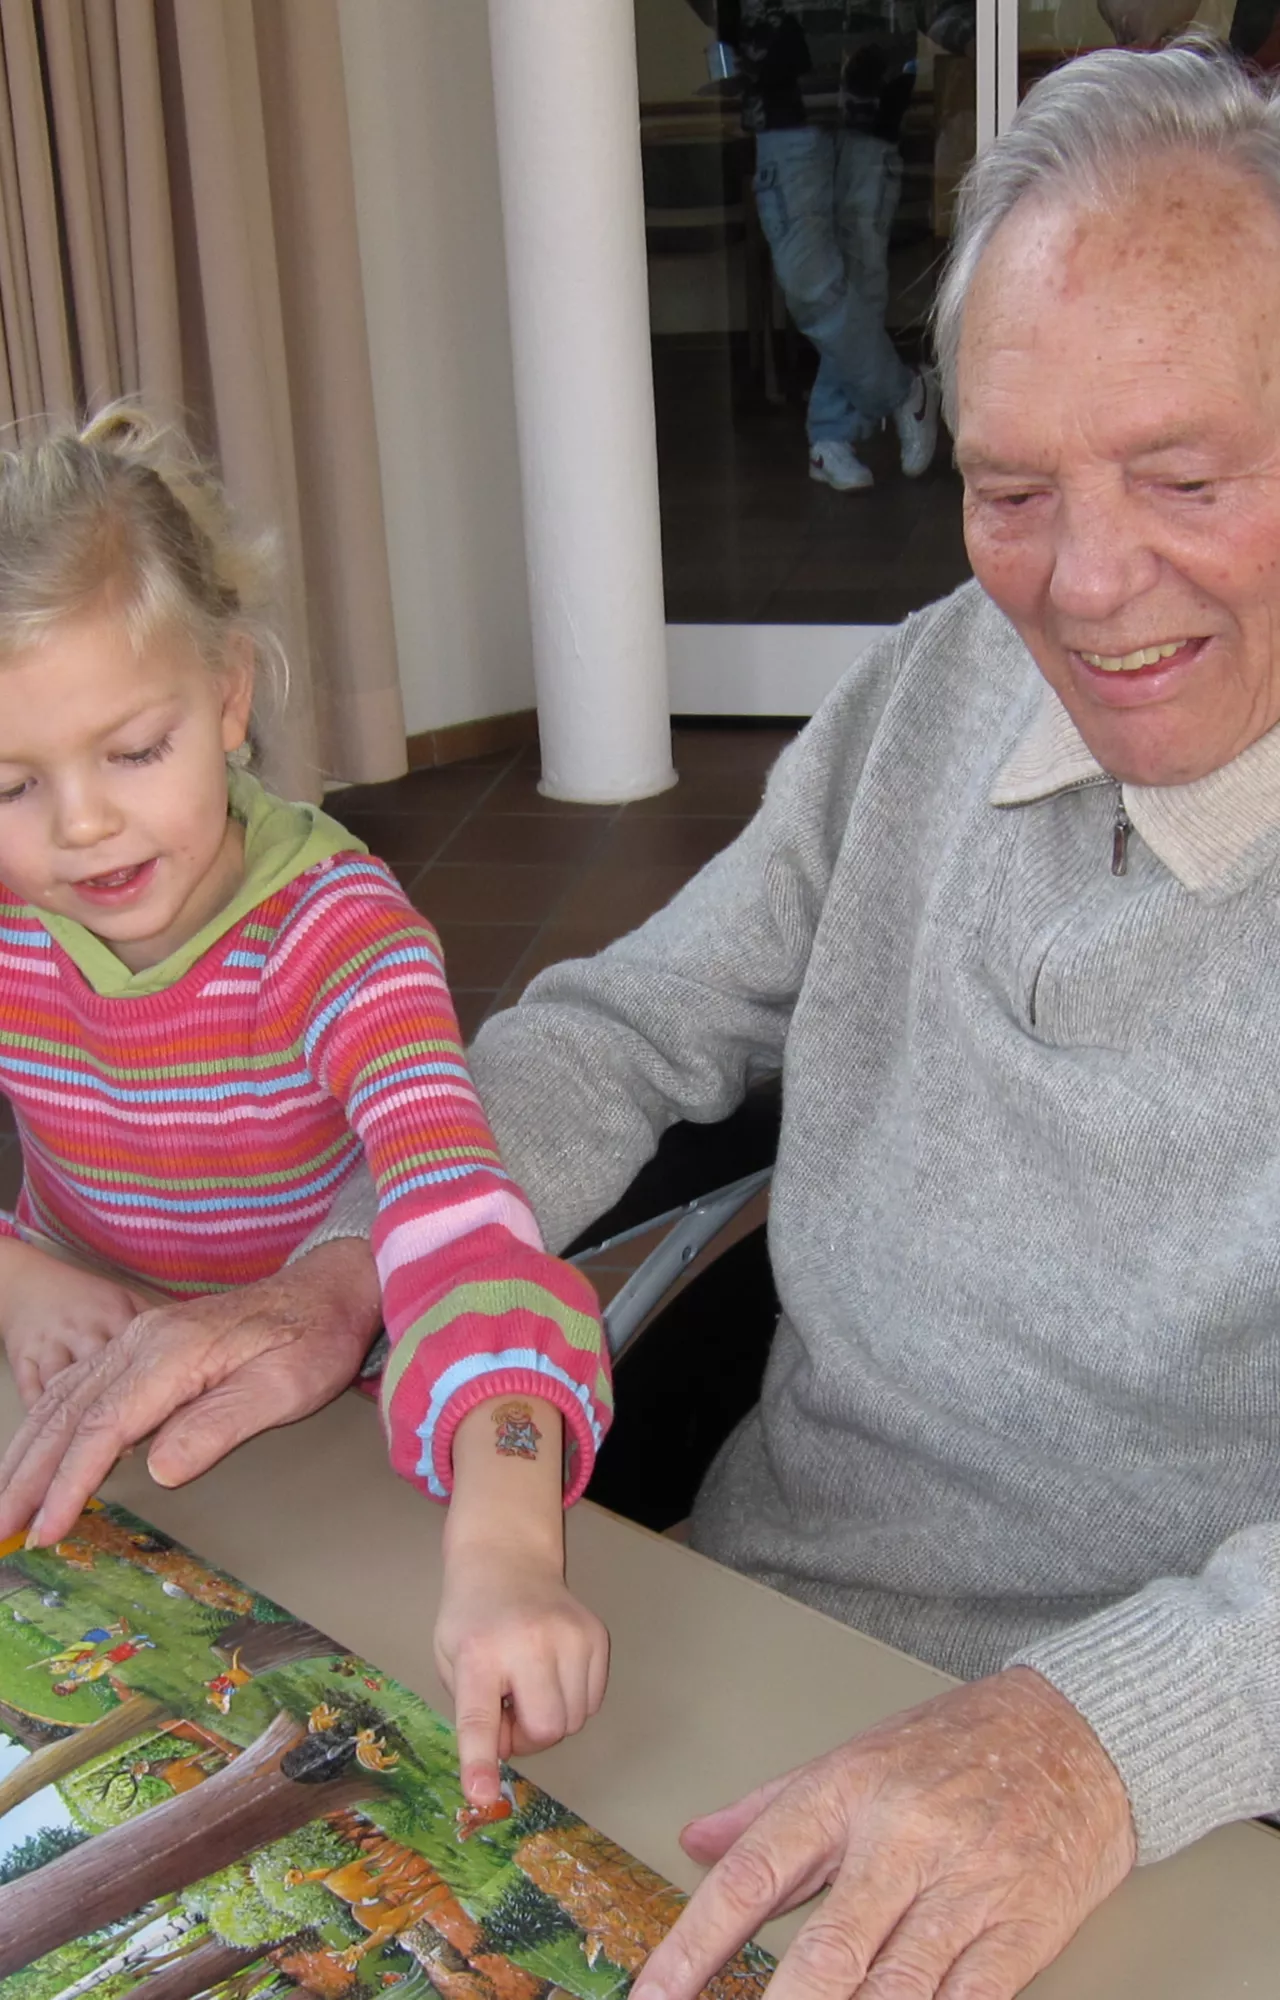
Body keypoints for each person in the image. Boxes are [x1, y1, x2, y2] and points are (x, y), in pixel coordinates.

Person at [10, 34, 1280, 1998]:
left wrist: (1096, 1736)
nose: (1088, 584)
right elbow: (627, 1020)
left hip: (1150, 1788)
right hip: (742, 1630)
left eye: (1185, 478)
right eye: (1013, 486)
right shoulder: (930, 689)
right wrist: (358, 1260)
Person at [0, 410, 611, 1808]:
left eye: (133, 749)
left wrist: (508, 1544)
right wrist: (19, 1273)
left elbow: (463, 1228)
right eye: (13, 784)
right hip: (79, 1397)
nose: (82, 825)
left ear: (227, 697)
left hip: (330, 1425)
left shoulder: (342, 938)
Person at [686, 1, 953, 491]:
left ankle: (831, 438)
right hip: (786, 94)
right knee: (809, 281)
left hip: (875, 82)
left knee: (862, 271)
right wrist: (746, 27)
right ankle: (904, 390)